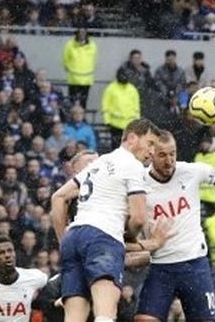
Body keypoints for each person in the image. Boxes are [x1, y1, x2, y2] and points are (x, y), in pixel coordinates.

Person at [135, 130, 215, 322]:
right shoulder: (137, 181)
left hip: (194, 264)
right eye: (162, 155)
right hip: (161, 267)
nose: (169, 161)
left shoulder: (191, 171)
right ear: (150, 154)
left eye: (172, 154)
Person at [50, 118, 160, 322]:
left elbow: (58, 197)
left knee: (74, 318)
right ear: (133, 138)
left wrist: (63, 241)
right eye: (150, 143)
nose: (152, 151)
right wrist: (129, 236)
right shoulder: (133, 165)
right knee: (105, 314)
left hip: (74, 236)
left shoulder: (99, 162)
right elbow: (138, 218)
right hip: (104, 238)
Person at [102, 68, 141, 149]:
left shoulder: (132, 89)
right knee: (116, 148)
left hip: (130, 125)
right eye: (122, 75)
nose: (124, 77)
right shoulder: (111, 88)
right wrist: (107, 121)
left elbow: (136, 108)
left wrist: (137, 122)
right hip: (115, 124)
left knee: (129, 148)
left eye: (126, 75)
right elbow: (105, 105)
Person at [62, 27, 97, 109]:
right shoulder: (69, 44)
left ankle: (82, 119)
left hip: (86, 80)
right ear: (77, 33)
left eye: (84, 32)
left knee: (83, 103)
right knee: (72, 102)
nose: (82, 34)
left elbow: (93, 60)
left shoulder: (92, 45)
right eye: (80, 32)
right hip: (73, 79)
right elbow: (65, 60)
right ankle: (72, 119)